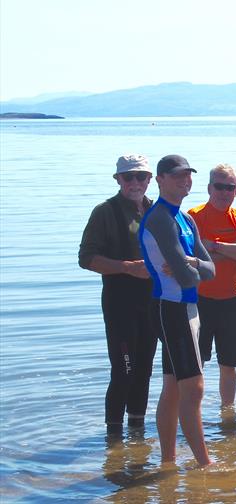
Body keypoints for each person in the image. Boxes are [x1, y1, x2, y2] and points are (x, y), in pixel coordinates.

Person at [139, 154, 215, 467]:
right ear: (160, 180)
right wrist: (192, 269)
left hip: (188, 307)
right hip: (170, 307)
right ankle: (204, 465)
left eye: (188, 175)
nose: (185, 180)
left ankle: (168, 461)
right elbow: (184, 277)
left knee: (172, 386)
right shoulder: (159, 218)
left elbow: (209, 269)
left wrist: (193, 263)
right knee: (193, 387)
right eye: (177, 176)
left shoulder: (185, 218)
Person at [79, 154, 158, 437]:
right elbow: (86, 258)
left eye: (141, 177)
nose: (135, 183)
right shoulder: (105, 212)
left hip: (151, 302)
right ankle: (113, 439)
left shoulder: (156, 210)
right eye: (129, 177)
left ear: (151, 179)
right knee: (124, 370)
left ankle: (137, 432)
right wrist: (126, 268)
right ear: (118, 180)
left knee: (145, 370)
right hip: (119, 303)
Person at [188, 164, 236, 408]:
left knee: (229, 364)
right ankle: (193, 415)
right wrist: (230, 250)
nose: (224, 192)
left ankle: (228, 414)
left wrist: (213, 247)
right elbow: (189, 259)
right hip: (199, 301)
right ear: (209, 188)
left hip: (232, 302)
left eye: (230, 187)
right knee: (196, 364)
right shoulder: (193, 217)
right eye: (219, 186)